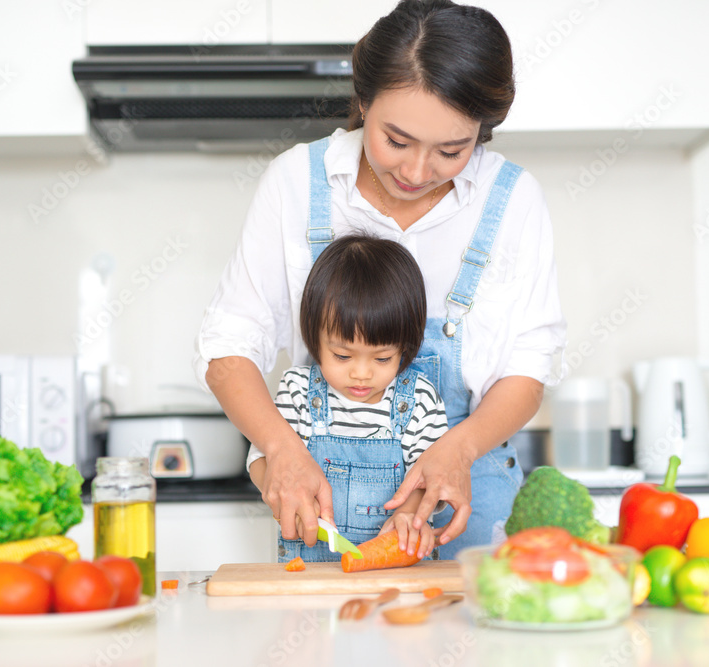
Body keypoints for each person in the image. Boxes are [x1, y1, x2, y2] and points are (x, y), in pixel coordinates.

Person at [196, 0, 566, 559]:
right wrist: (279, 447)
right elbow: (228, 345)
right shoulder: (296, 182)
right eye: (396, 140)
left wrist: (457, 452)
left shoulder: (513, 200)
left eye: (452, 150)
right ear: (363, 101)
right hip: (325, 508)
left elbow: (528, 367)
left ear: (482, 132)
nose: (417, 172)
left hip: (471, 498)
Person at [247, 234, 448, 562]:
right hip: (308, 579)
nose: (362, 373)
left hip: (394, 580)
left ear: (405, 348)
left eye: (382, 359)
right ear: (315, 339)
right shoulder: (299, 391)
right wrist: (280, 494)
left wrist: (409, 516)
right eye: (343, 356)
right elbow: (261, 458)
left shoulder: (419, 399)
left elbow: (430, 478)